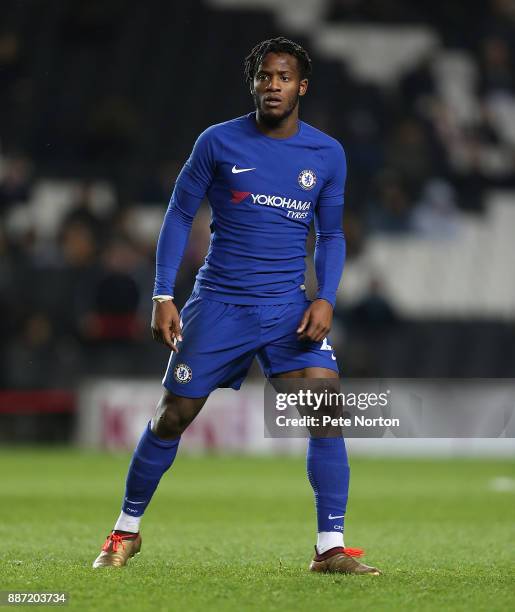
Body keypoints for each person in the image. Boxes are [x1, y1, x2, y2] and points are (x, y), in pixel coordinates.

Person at [93, 37, 380, 575]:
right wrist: (161, 293)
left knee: (327, 408)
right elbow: (179, 215)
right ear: (253, 84)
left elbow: (333, 234)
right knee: (173, 417)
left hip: (285, 311)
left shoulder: (327, 153)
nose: (274, 85)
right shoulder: (217, 142)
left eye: (284, 77)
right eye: (265, 76)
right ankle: (125, 532)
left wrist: (325, 297)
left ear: (302, 87)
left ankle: (330, 548)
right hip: (219, 305)